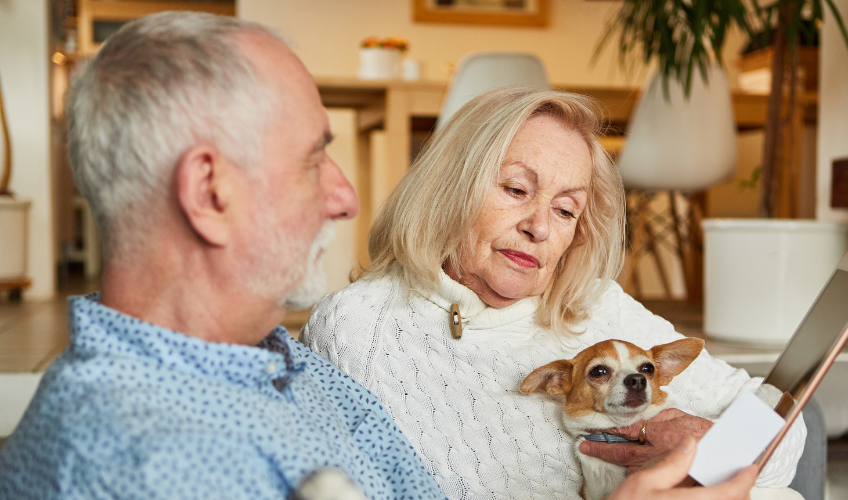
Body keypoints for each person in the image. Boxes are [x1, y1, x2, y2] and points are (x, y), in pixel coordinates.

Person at [0, 11, 757, 500]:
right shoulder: (164, 463)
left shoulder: (271, 358)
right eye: (311, 161)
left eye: (565, 208)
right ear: (209, 192)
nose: (346, 196)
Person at [303, 86, 807, 500]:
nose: (540, 227)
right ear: (450, 187)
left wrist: (712, 447)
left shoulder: (592, 303)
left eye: (566, 210)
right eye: (516, 190)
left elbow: (784, 428)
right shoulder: (356, 331)